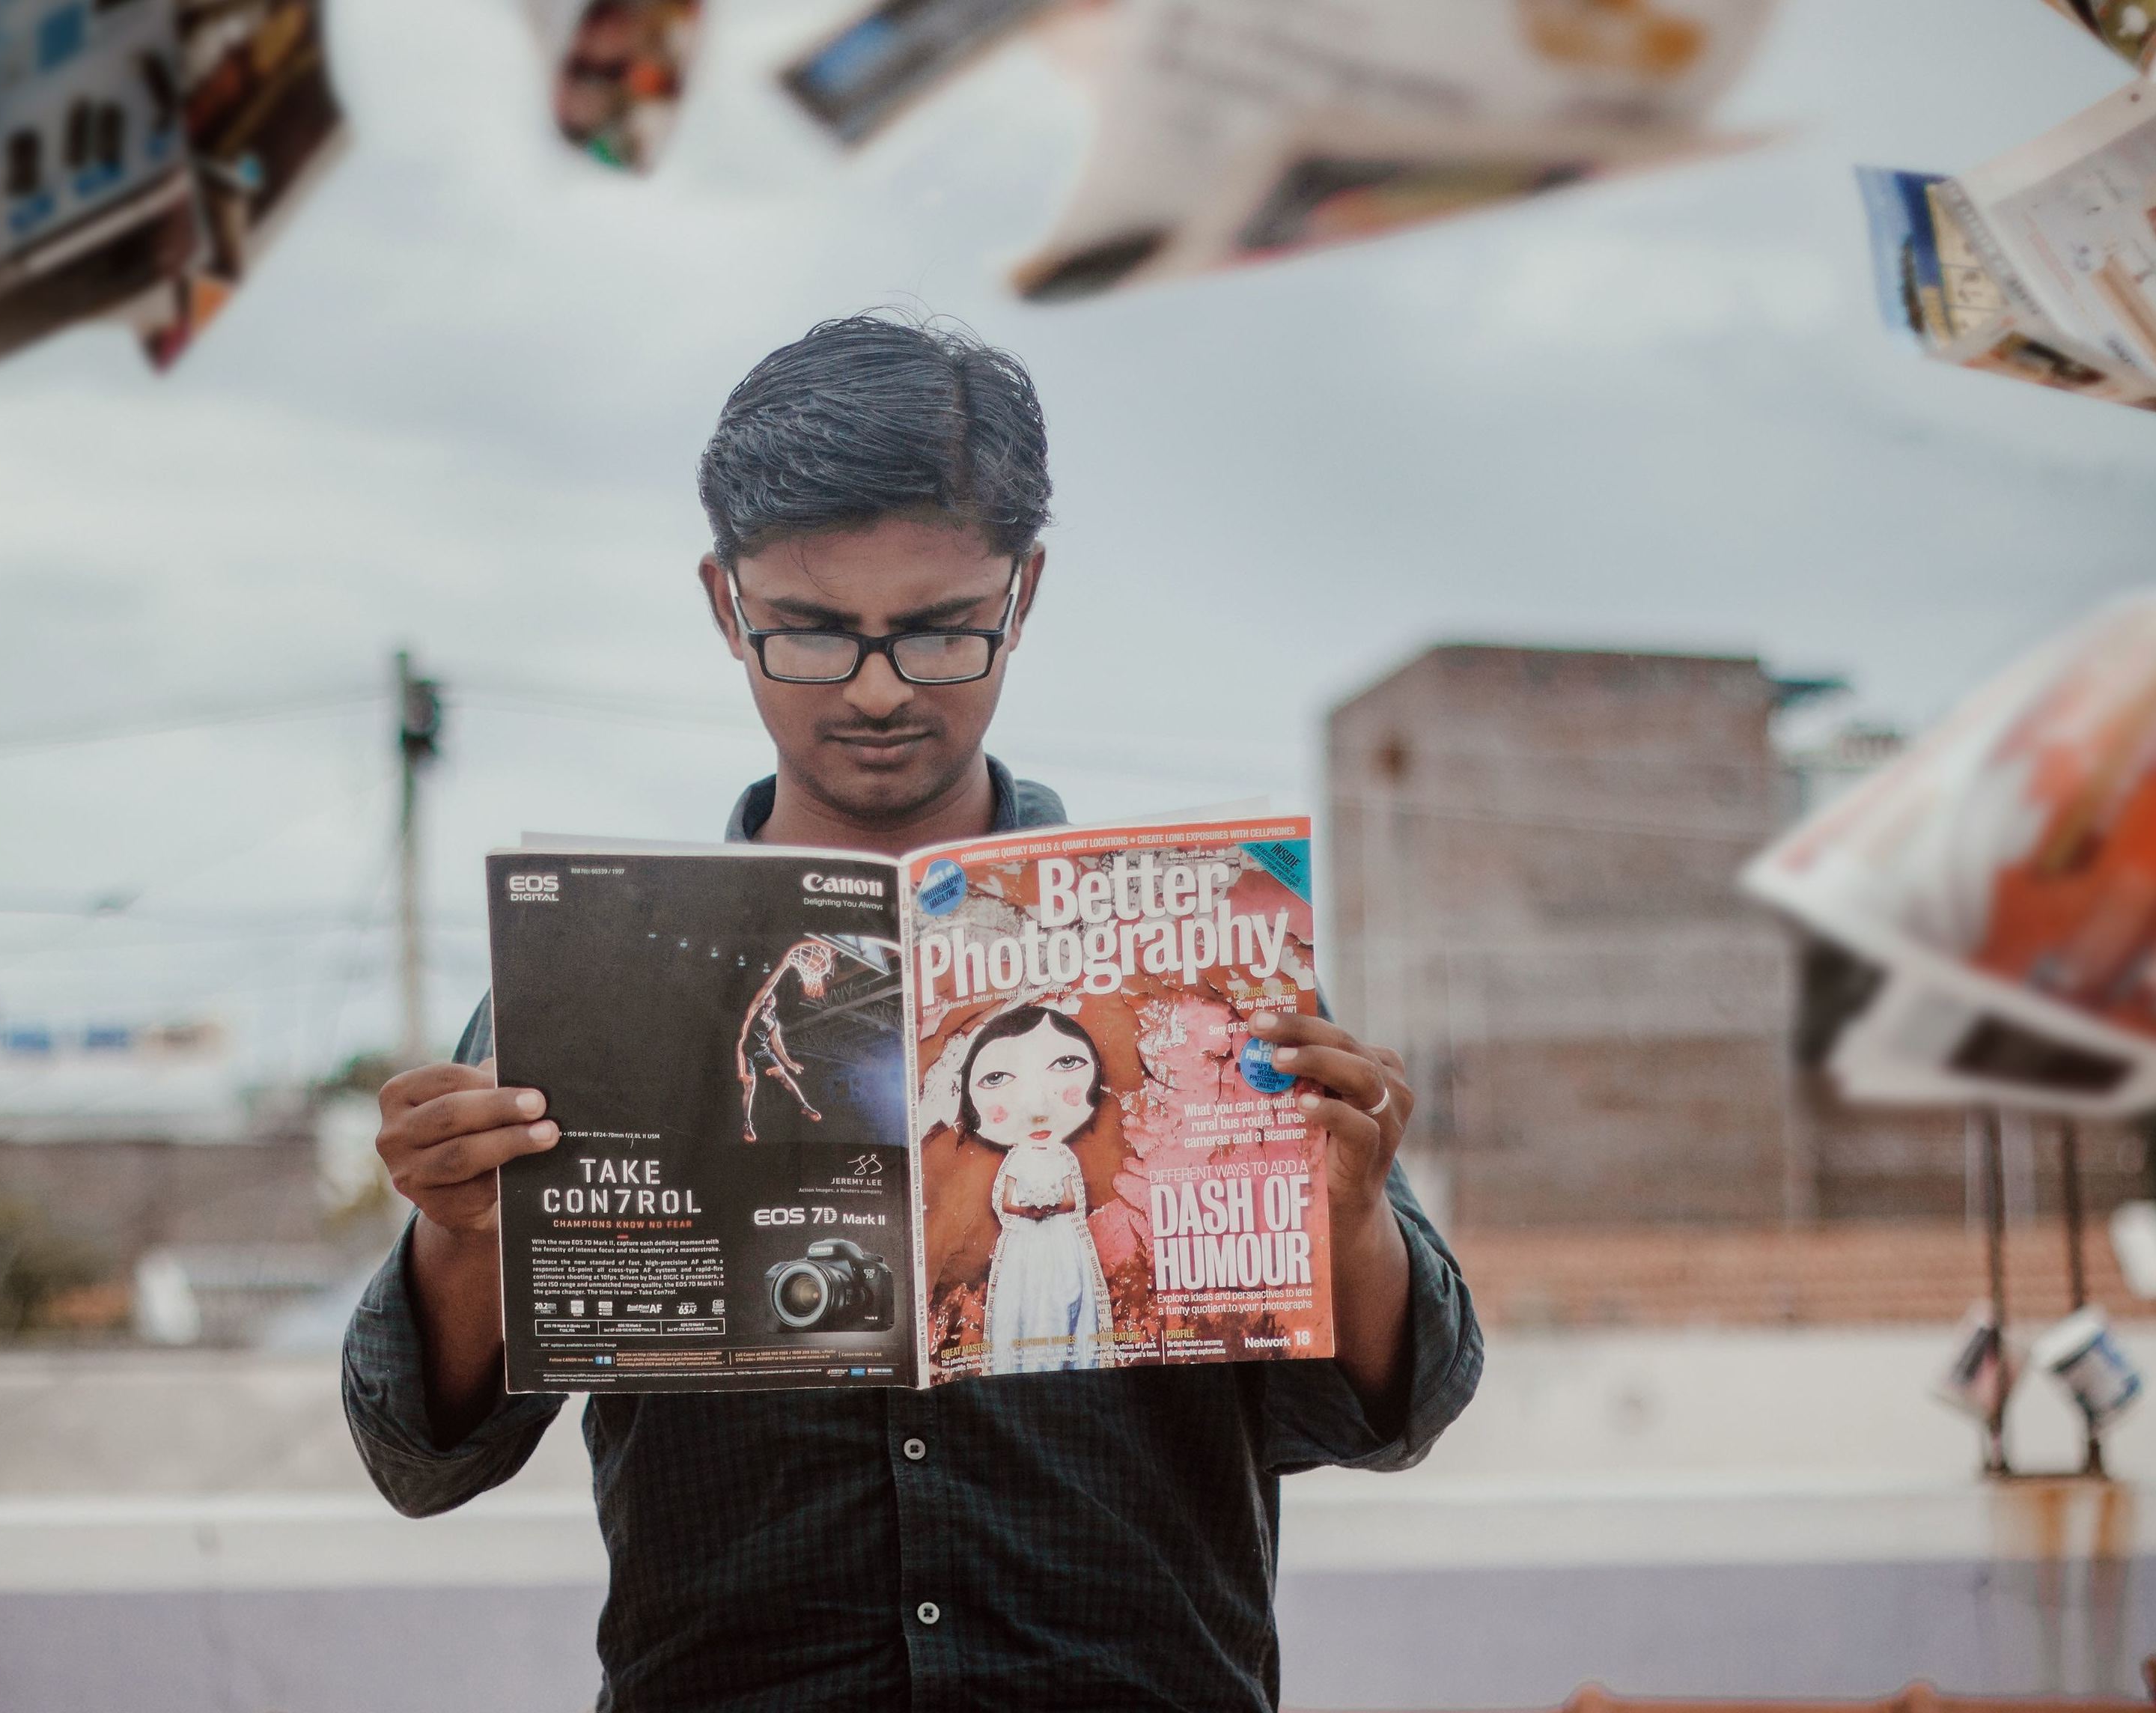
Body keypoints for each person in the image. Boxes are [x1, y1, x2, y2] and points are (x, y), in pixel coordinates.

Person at [344, 312, 1482, 1712]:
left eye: (940, 632)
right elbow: (419, 1452)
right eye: (811, 635)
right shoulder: (584, 995)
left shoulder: (1202, 962)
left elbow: (1397, 1411)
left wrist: (1348, 1216)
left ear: (1025, 592)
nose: (877, 691)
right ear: (722, 602)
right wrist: (460, 1237)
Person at [956, 1003, 1114, 1375]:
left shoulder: (1061, 1157)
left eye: (1065, 1063)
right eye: (996, 1078)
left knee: (1066, 1298)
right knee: (1025, 1303)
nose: (1038, 1108)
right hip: (1026, 1242)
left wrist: (1052, 1207)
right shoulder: (1017, 1160)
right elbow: (1006, 1202)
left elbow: (1073, 1199)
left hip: (1061, 1241)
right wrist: (1029, 1211)